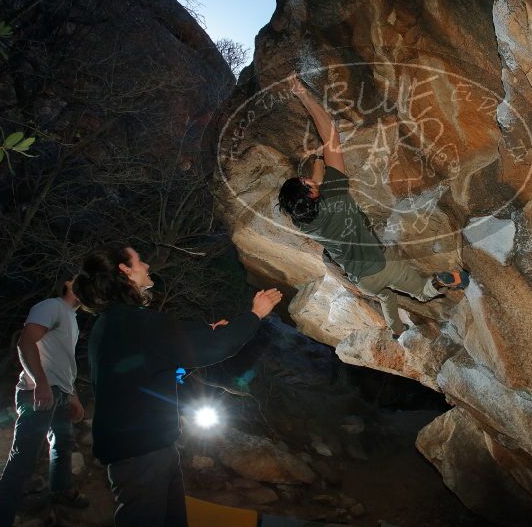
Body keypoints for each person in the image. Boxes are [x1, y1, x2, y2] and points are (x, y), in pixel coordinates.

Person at [72, 244, 281, 527]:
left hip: (145, 451)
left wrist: (205, 336)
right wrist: (255, 314)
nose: (146, 266)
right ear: (125, 270)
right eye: (140, 260)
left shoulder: (112, 323)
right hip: (141, 455)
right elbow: (218, 345)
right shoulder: (137, 322)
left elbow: (151, 365)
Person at [277, 72, 469, 338]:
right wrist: (302, 93)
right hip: (382, 263)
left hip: (363, 280)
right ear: (310, 191)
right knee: (422, 292)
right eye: (306, 181)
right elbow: (330, 133)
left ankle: (396, 330)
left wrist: (318, 165)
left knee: (385, 297)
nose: (309, 179)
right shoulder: (336, 194)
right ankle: (441, 281)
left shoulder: (304, 222)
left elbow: (316, 187)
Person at [0, 273, 89, 527]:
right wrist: (41, 384)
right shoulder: (51, 306)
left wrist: (72, 396)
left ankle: (60, 490)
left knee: (63, 443)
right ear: (67, 283)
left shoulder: (73, 320)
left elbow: (62, 363)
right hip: (39, 394)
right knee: (22, 459)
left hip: (60, 394)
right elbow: (25, 342)